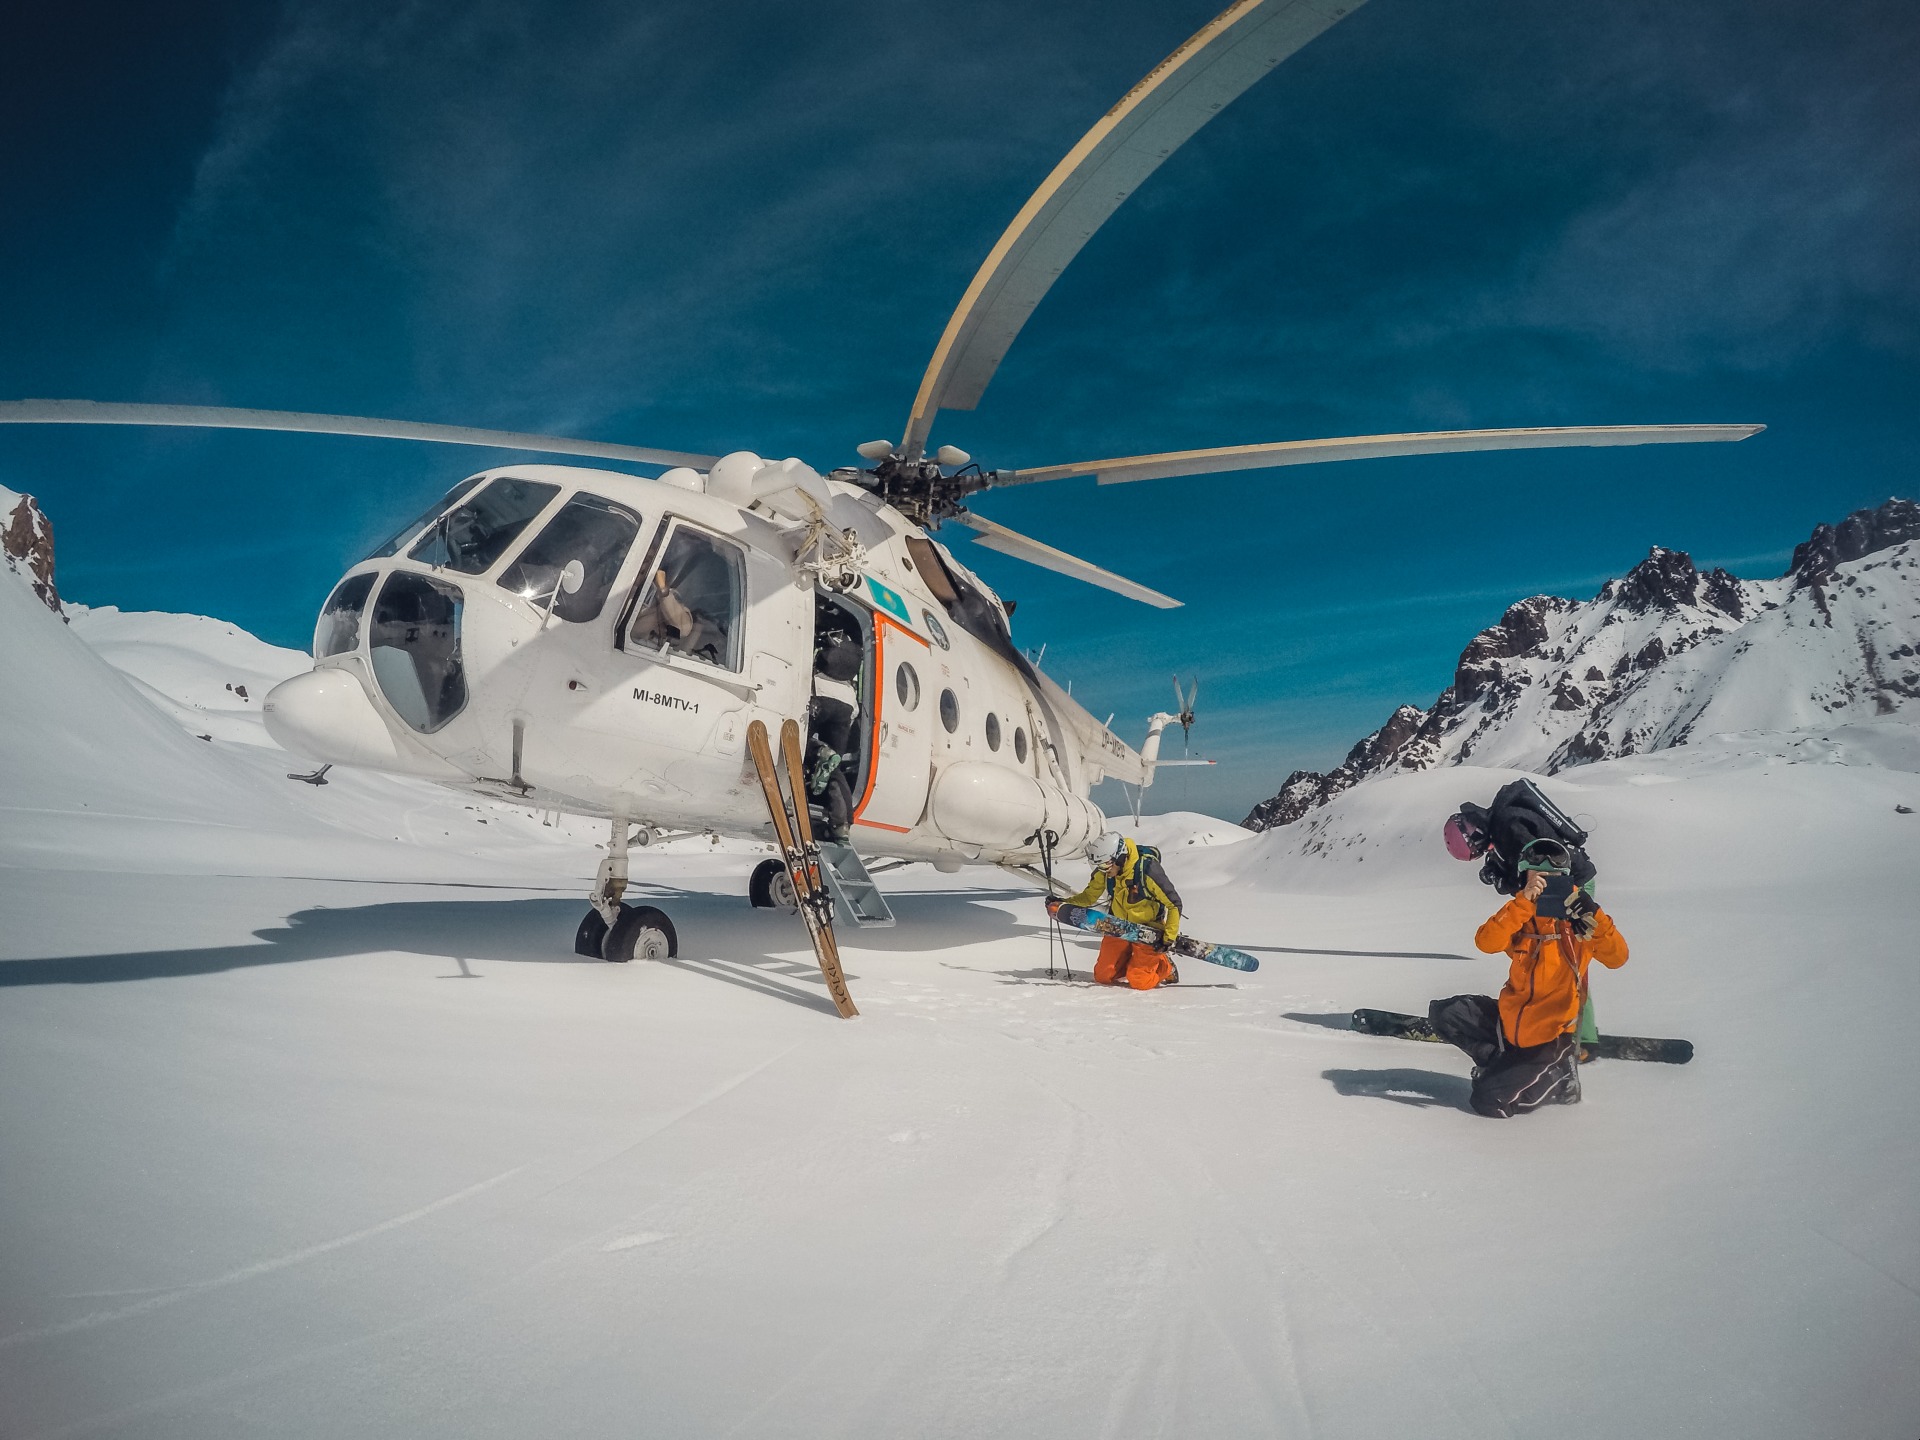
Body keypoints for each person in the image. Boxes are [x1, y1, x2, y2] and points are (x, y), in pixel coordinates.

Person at [1430, 837, 1629, 1118]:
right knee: (1445, 1013)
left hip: (1549, 1041)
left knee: (1490, 1101)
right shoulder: (1521, 913)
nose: (1547, 883)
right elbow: (1486, 942)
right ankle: (1501, 1063)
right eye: (1540, 876)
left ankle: (1559, 1076)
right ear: (1526, 876)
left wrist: (1594, 915)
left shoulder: (1579, 921)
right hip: (1509, 1027)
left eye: (1555, 877)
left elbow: (1618, 958)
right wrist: (1524, 903)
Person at [1053, 832, 1182, 990]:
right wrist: (1064, 902)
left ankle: (1165, 966)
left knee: (1140, 982)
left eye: (1106, 865)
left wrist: (1169, 937)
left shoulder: (1147, 870)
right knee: (1103, 976)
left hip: (1148, 930)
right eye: (1100, 866)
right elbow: (1089, 897)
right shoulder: (1106, 872)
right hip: (1117, 926)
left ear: (1120, 858)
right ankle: (1132, 963)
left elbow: (1174, 904)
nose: (1103, 870)